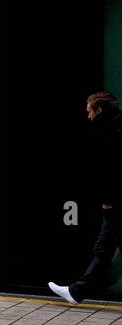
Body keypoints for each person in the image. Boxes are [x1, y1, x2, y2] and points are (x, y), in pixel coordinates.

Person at [50, 91, 122, 305]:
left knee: (104, 247)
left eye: (89, 112)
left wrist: (108, 200)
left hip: (117, 203)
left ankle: (76, 291)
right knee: (103, 248)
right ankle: (76, 292)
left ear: (99, 110)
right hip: (115, 201)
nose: (88, 116)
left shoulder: (111, 130)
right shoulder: (113, 126)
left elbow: (113, 170)